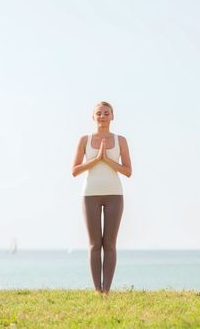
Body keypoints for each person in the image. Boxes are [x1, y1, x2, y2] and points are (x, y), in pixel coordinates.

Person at [72, 101, 132, 294]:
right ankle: (97, 290)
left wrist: (107, 160)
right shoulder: (84, 140)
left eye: (106, 113)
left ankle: (106, 290)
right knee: (95, 244)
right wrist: (97, 159)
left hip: (114, 194)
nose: (102, 116)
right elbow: (75, 170)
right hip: (90, 195)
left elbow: (128, 171)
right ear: (93, 116)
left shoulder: (120, 140)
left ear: (112, 116)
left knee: (110, 244)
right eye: (99, 113)